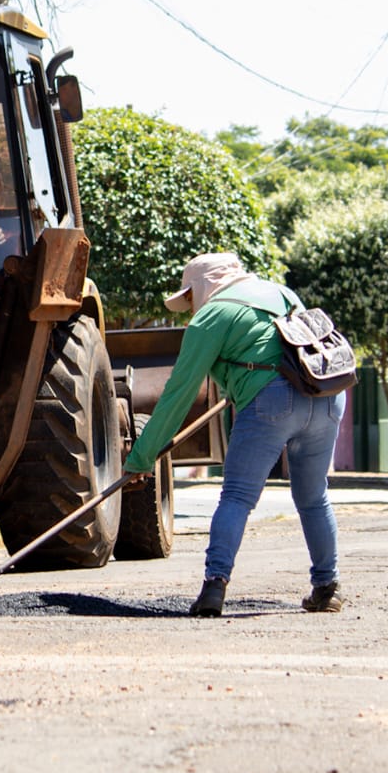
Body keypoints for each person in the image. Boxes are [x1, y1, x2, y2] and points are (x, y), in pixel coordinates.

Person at [123, 252, 346, 618]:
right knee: (313, 496)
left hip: (272, 404)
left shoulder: (211, 317)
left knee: (237, 497)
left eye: (190, 297)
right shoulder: (282, 293)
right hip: (325, 399)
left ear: (203, 286)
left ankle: (214, 588)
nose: (190, 307)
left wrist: (141, 458)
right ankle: (327, 587)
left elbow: (177, 396)